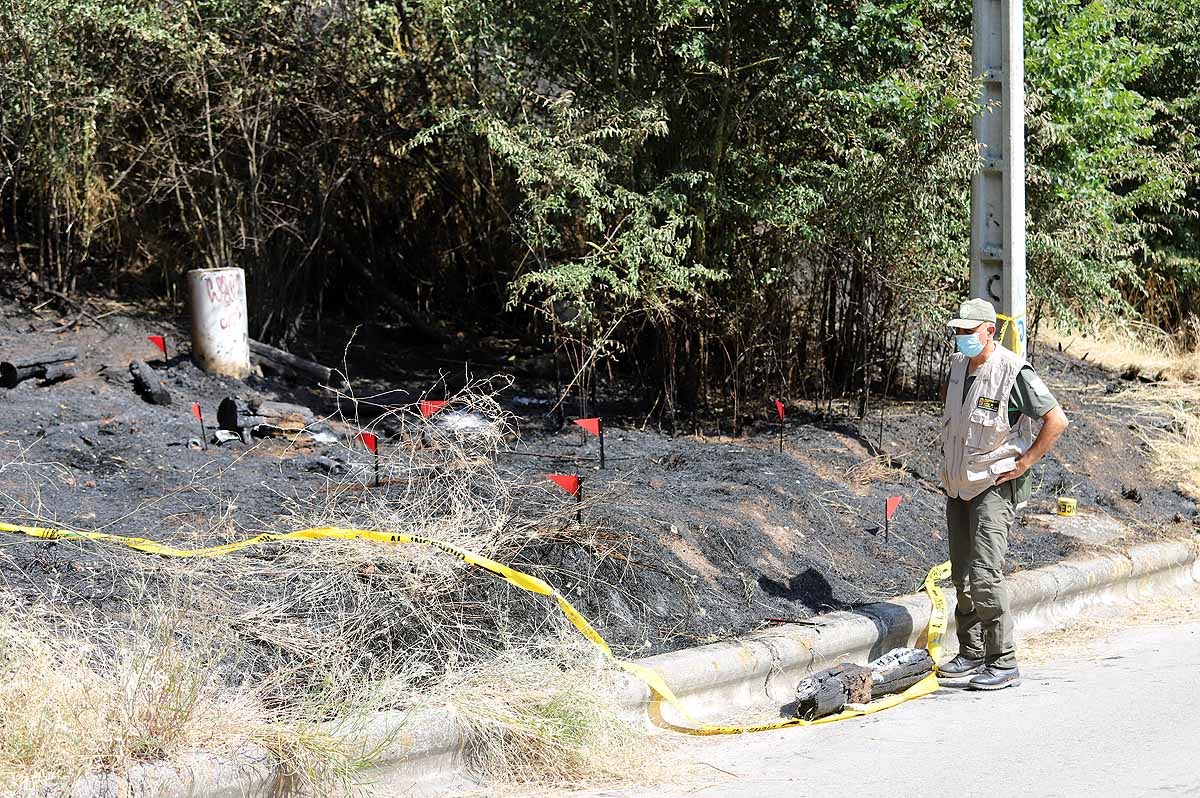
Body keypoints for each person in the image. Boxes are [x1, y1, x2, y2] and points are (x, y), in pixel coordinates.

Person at [936, 298, 1069, 690]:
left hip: (994, 485)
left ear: (989, 331)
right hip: (959, 485)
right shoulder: (960, 367)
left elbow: (1056, 419)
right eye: (957, 331)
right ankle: (971, 651)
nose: (960, 338)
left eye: (967, 331)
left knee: (984, 574)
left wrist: (1025, 462)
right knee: (961, 575)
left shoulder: (1013, 371)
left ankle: (1003, 660)